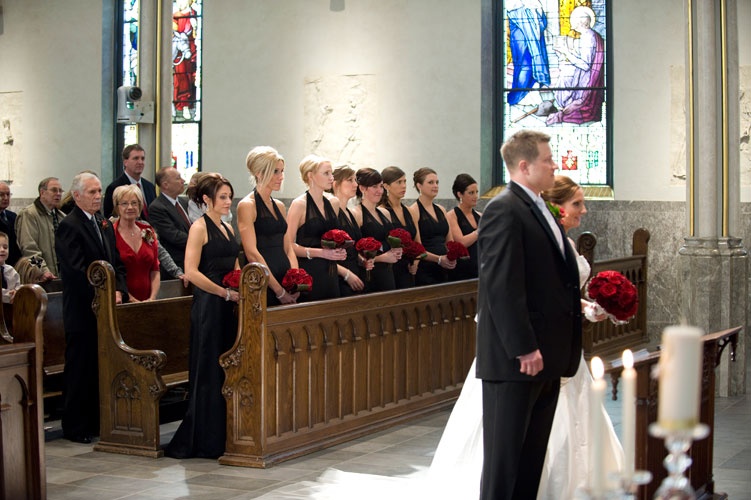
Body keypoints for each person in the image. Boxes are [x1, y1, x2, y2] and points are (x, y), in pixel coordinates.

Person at [476, 130, 582, 499]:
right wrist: (523, 346)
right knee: (504, 466)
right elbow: (501, 284)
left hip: (546, 355)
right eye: (548, 160)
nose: (555, 166)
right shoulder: (504, 209)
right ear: (524, 166)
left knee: (529, 462)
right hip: (517, 361)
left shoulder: (538, 207)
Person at [166, 173, 240, 459]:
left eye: (229, 196)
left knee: (226, 366)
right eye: (222, 197)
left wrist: (238, 285)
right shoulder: (199, 227)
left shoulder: (228, 227)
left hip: (229, 303)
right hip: (210, 304)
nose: (228, 202)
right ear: (207, 199)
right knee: (209, 367)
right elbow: (192, 272)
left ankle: (226, 432)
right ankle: (206, 438)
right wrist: (223, 292)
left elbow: (234, 262)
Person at [56, 172, 128, 444]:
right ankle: (75, 426)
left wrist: (119, 289)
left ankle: (96, 421)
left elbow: (116, 262)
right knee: (80, 367)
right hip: (82, 308)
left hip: (104, 308)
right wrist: (103, 293)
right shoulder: (70, 226)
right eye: (92, 192)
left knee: (98, 366)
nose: (99, 196)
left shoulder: (102, 222)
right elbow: (75, 271)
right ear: (77, 196)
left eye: (99, 191)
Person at [237, 146, 299, 306]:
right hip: (263, 281)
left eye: (282, 171)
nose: (281, 176)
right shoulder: (247, 205)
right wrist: (279, 291)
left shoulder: (279, 206)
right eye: (275, 171)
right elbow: (252, 253)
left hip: (284, 277)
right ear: (259, 173)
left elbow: (288, 247)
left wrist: (295, 279)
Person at [285, 155, 346, 301]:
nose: (331, 178)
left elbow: (334, 238)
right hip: (310, 271)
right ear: (310, 175)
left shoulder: (334, 203)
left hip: (331, 270)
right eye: (326, 173)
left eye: (331, 173)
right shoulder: (299, 205)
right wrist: (321, 253)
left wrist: (340, 250)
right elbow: (288, 245)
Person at [546, 6, 605, 125]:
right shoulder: (590, 35)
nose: (572, 22)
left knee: (564, 77)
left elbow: (585, 65)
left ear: (580, 22)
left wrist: (566, 52)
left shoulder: (588, 37)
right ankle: (563, 104)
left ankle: (564, 106)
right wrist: (566, 53)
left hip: (587, 79)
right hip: (585, 75)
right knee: (564, 74)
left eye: (574, 20)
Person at [350, 168, 401, 293]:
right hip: (370, 274)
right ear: (362, 188)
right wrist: (382, 258)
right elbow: (354, 252)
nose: (380, 191)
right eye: (374, 187)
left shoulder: (385, 213)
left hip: (388, 271)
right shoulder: (356, 214)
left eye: (381, 186)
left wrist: (397, 250)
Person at [112, 185, 160, 301]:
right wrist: (131, 300)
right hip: (121, 300)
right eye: (124, 203)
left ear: (140, 206)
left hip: (148, 301)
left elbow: (155, 269)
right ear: (117, 207)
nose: (130, 207)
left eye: (134, 203)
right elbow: (112, 274)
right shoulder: (111, 234)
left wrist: (152, 298)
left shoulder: (148, 231)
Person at [408, 168, 455, 285]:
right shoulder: (414, 210)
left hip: (444, 266)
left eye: (437, 182)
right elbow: (418, 246)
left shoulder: (441, 209)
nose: (435, 186)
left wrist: (452, 256)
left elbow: (449, 241)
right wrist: (438, 259)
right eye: (430, 182)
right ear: (419, 185)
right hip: (426, 268)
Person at [15, 176, 66, 281]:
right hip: (41, 278)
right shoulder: (29, 214)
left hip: (62, 275)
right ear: (42, 192)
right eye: (54, 190)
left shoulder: (62, 217)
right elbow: (28, 250)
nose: (58, 194)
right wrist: (42, 270)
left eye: (60, 191)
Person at [380, 166, 419, 289]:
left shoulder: (410, 211)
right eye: (399, 182)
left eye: (405, 181)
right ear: (386, 186)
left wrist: (416, 262)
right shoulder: (382, 211)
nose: (404, 186)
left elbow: (418, 243)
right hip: (391, 267)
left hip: (409, 267)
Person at [331, 165, 366, 297]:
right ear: (336, 184)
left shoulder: (350, 213)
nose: (355, 184)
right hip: (340, 275)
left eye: (355, 180)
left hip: (354, 271)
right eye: (350, 180)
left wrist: (362, 260)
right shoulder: (332, 211)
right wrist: (346, 274)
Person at [507, 0, 551, 105]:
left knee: (532, 69)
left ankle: (532, 97)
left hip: (535, 45)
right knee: (526, 68)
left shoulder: (534, 4)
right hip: (523, 44)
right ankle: (519, 98)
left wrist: (539, 11)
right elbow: (524, 26)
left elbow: (542, 25)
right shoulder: (515, 6)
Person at [149, 166, 191, 277]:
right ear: (165, 185)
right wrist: (199, 241)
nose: (183, 181)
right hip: (176, 264)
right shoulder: (157, 207)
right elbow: (173, 236)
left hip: (191, 259)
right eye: (178, 178)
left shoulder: (183, 202)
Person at [103, 144, 157, 219]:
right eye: (136, 158)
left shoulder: (150, 187)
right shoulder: (115, 187)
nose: (140, 162)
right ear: (125, 162)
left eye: (142, 158)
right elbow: (110, 217)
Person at [445, 173, 481, 280]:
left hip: (480, 266)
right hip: (462, 269)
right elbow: (461, 242)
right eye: (471, 193)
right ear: (460, 194)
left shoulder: (480, 216)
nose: (475, 196)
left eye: (476, 192)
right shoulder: (452, 216)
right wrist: (479, 231)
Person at [0, 181, 21, 266]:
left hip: (12, 266)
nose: (5, 198)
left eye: (8, 194)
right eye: (1, 195)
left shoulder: (13, 216)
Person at [0, 231, 21, 303]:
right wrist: (9, 295)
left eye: (5, 247)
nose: (2, 250)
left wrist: (16, 292)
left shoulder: (11, 271)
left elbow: (18, 286)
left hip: (10, 306)